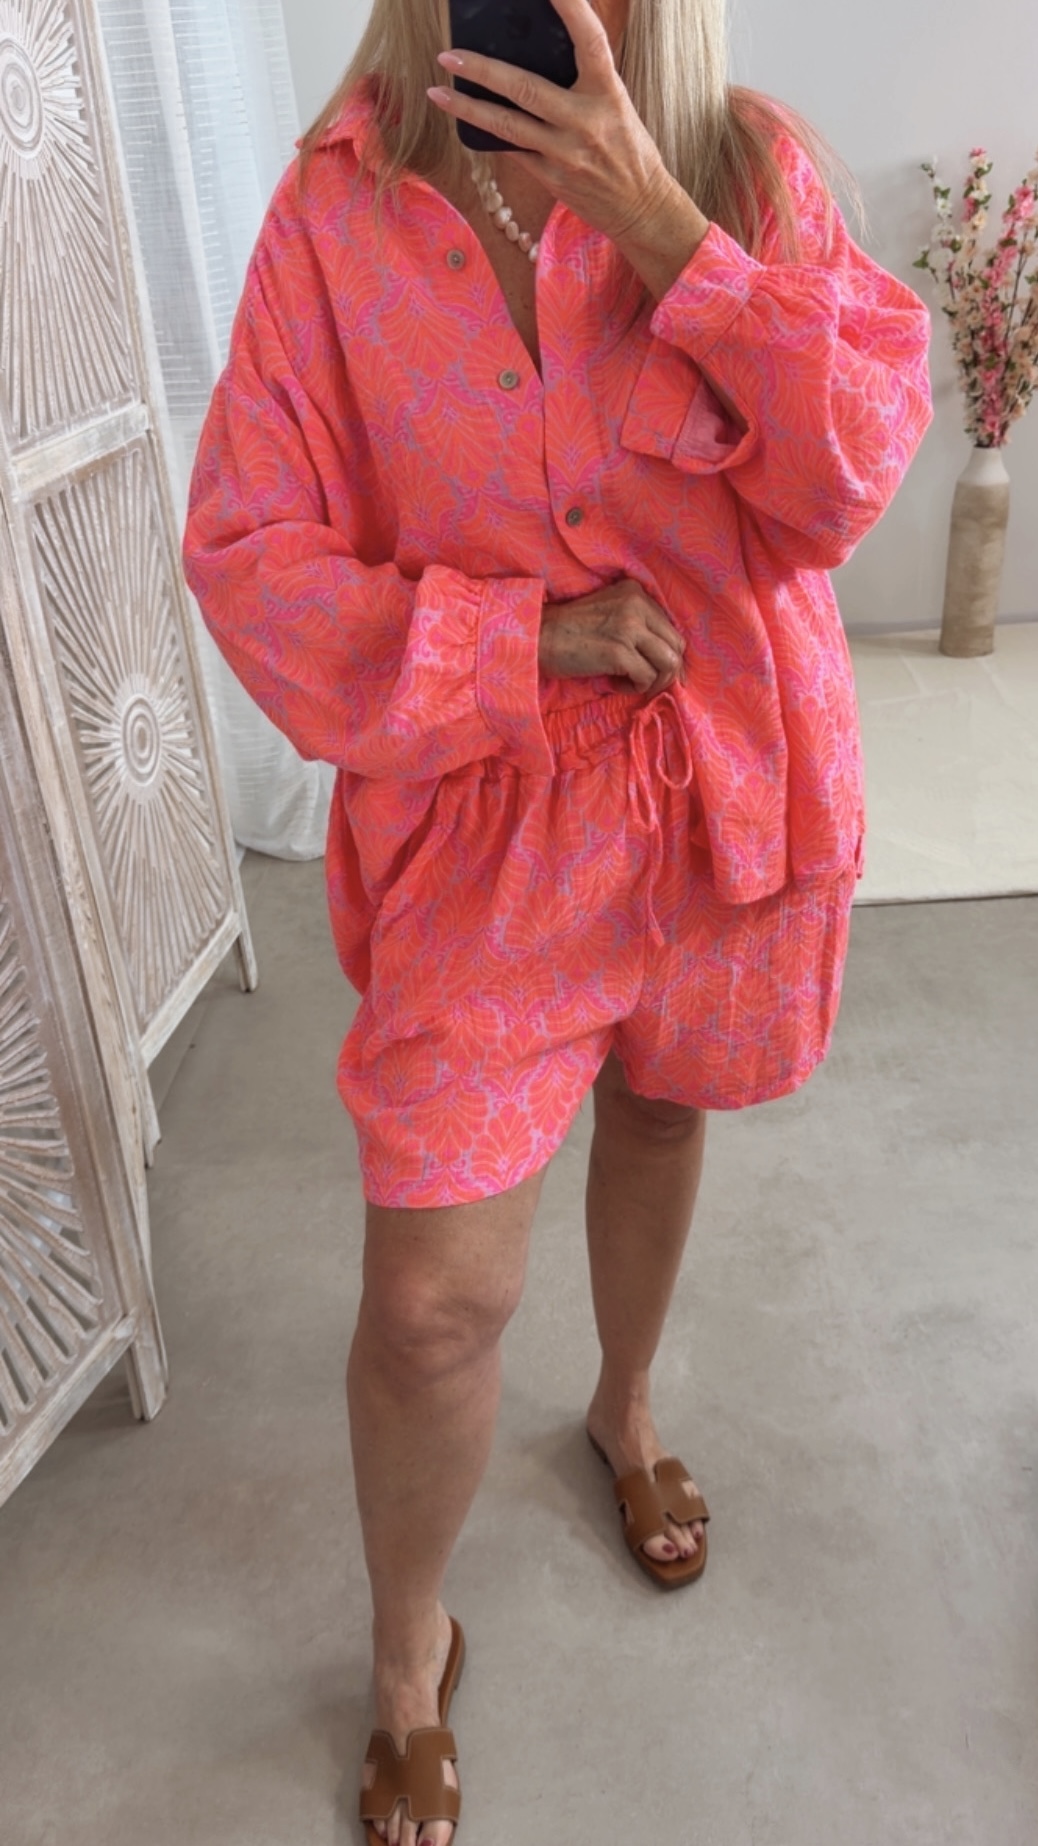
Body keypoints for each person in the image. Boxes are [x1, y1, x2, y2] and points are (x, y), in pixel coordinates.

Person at [183, 1, 933, 1839]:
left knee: (661, 1113)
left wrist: (667, 231)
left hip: (719, 782)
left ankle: (623, 1406)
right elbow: (248, 551)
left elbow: (845, 481)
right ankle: (407, 1651)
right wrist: (513, 638)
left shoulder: (743, 167)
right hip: (485, 818)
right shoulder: (341, 212)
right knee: (433, 1305)